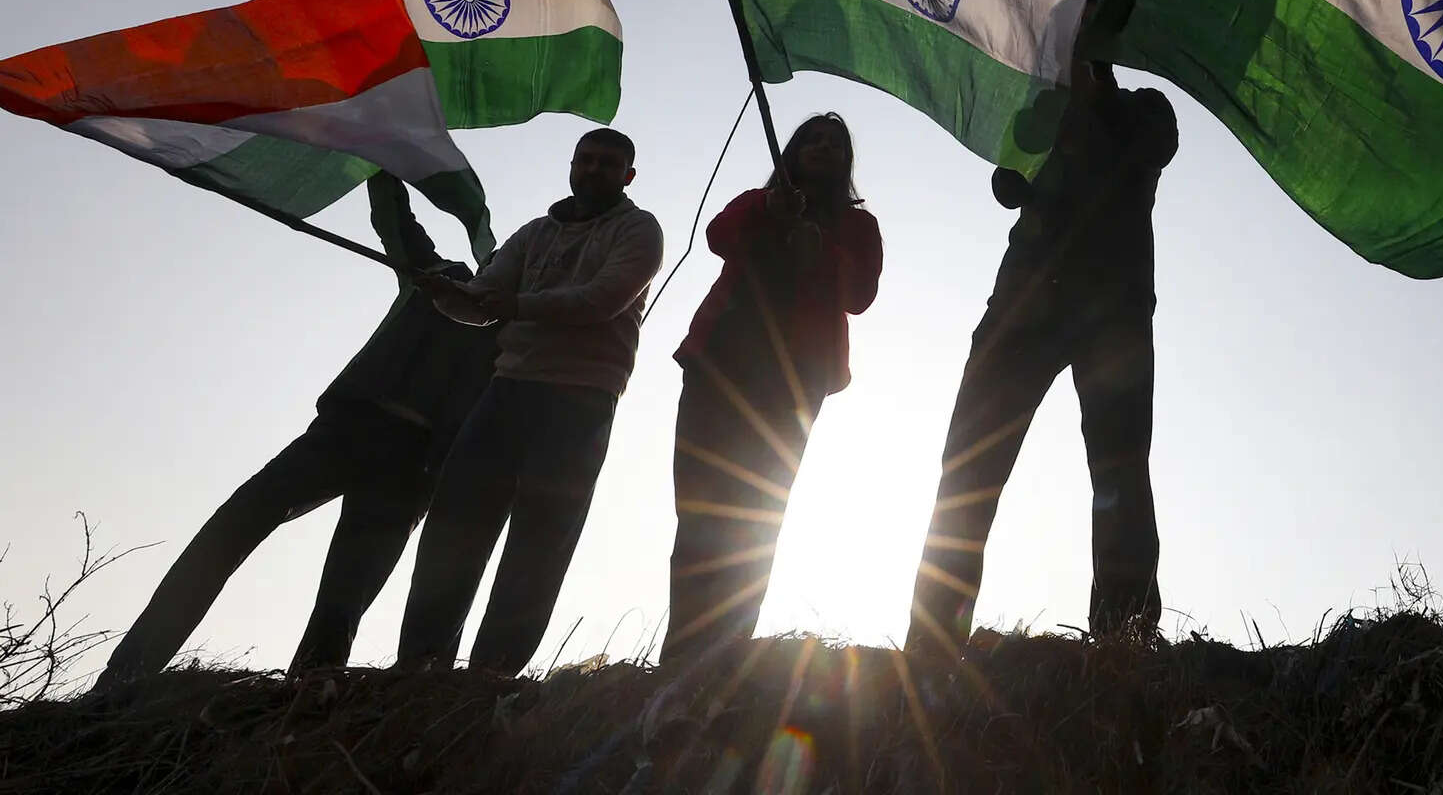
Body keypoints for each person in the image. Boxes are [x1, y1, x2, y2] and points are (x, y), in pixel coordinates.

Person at [97, 173, 498, 687]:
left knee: (343, 597)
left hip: (410, 467)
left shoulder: (521, 330)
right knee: (233, 525)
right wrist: (382, 148)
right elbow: (394, 219)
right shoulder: (437, 274)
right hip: (344, 430)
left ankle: (306, 698)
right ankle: (126, 674)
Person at [907, 0, 1178, 656]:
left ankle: (1125, 637)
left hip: (1109, 314)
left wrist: (1088, 98)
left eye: (1084, 31)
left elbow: (1156, 147)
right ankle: (933, 641)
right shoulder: (1034, 120)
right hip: (1020, 313)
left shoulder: (1142, 109)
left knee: (1118, 471)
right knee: (968, 470)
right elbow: (1007, 180)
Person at [398, 127, 663, 676]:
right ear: (570, 165)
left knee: (541, 538)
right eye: (585, 160)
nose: (593, 170)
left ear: (628, 176)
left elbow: (601, 300)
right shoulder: (535, 232)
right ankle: (420, 665)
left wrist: (509, 302)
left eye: (608, 164)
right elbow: (482, 303)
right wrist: (447, 294)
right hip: (508, 389)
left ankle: (492, 673)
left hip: (582, 400)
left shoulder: (640, 230)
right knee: (455, 524)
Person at [661, 113, 882, 663]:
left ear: (846, 162)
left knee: (756, 516)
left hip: (791, 386)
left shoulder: (857, 227)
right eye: (813, 140)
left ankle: (726, 654)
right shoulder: (758, 203)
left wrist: (820, 247)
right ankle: (680, 657)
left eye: (834, 144)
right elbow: (718, 236)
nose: (823, 148)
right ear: (794, 151)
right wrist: (768, 210)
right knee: (698, 512)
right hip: (719, 368)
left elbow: (859, 294)